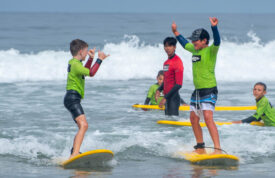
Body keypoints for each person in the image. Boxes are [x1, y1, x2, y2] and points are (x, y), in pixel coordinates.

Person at [172, 17, 221, 153]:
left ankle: (217, 148)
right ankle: (200, 147)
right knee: (193, 118)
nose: (193, 43)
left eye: (195, 40)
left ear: (204, 41)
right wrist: (176, 32)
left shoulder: (211, 51)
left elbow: (217, 41)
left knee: (207, 117)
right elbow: (183, 43)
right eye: (192, 40)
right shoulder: (194, 50)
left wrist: (214, 28)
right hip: (198, 91)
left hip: (209, 89)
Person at [64, 39, 109, 159]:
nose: (87, 53)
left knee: (81, 126)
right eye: (85, 51)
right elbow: (91, 73)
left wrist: (90, 59)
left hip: (72, 98)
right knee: (84, 125)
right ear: (80, 52)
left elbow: (85, 72)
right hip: (72, 98)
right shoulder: (75, 64)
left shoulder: (75, 63)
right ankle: (74, 153)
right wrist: (99, 59)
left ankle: (74, 151)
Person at [155, 37, 184, 116]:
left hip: (173, 98)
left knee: (173, 126)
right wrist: (159, 89)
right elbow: (167, 80)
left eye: (170, 46)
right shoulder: (166, 63)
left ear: (174, 47)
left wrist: (165, 98)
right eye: (166, 46)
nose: (167, 48)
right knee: (168, 126)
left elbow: (178, 85)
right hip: (167, 98)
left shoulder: (177, 62)